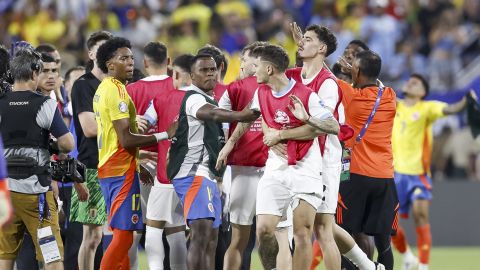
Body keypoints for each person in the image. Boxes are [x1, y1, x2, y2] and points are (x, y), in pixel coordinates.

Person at [218, 44, 339, 270]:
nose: (254, 72)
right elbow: (249, 117)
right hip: (275, 170)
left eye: (258, 67)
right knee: (264, 230)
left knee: (302, 233)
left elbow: (332, 126)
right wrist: (231, 143)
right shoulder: (261, 92)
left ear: (270, 69)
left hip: (305, 169)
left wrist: (304, 120)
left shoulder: (305, 95)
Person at [166, 53, 259, 270]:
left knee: (211, 240)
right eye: (203, 70)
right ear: (191, 76)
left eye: (212, 69)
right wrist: (242, 115)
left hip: (205, 176)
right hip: (193, 174)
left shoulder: (209, 97)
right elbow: (213, 114)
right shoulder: (193, 98)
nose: (210, 74)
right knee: (201, 235)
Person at [93, 37, 176, 270]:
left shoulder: (104, 89)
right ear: (110, 64)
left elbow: (113, 137)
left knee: (124, 233)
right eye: (123, 58)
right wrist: (164, 135)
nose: (130, 62)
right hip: (119, 170)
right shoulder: (117, 91)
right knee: (124, 236)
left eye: (131, 57)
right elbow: (126, 138)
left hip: (113, 167)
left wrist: (137, 162)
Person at [0, 47, 75, 270]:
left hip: (6, 195)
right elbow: (68, 144)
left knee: (5, 257)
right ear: (35, 74)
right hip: (36, 194)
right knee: (51, 257)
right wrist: (51, 143)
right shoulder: (44, 103)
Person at [220, 41, 292, 270]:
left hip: (246, 170)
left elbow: (223, 124)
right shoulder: (288, 86)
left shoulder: (235, 88)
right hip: (275, 169)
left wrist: (228, 145)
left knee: (239, 240)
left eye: (246, 59)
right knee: (278, 236)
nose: (243, 64)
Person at [391, 74, 468, 270]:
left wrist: (465, 102)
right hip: (394, 175)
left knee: (420, 213)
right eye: (410, 80)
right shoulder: (394, 105)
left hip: (418, 175)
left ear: (423, 92)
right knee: (388, 224)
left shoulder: (427, 108)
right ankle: (407, 257)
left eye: (416, 82)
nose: (410, 82)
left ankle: (424, 265)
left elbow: (451, 109)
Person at [336, 50, 398, 270]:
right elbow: (376, 84)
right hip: (384, 178)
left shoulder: (351, 96)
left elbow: (324, 76)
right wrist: (357, 72)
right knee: (384, 243)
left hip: (355, 175)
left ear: (358, 71)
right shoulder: (390, 96)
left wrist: (349, 74)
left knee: (341, 235)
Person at [287, 23, 343, 270]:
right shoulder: (295, 75)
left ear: (321, 48)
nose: (302, 42)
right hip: (298, 160)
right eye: (302, 38)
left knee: (323, 229)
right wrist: (303, 43)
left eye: (308, 39)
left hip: (324, 160)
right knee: (298, 229)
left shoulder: (328, 83)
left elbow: (326, 124)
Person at [143, 53, 194, 270]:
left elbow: (144, 126)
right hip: (193, 177)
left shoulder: (162, 99)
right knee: (177, 231)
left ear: (176, 73)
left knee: (154, 229)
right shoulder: (205, 101)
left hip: (165, 176)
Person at [126, 41, 174, 270]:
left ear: (144, 63)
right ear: (169, 62)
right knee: (175, 229)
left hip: (141, 163)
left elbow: (121, 132)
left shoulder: (130, 90)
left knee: (137, 227)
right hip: (171, 164)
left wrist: (138, 155)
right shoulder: (176, 88)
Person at [70, 30, 112, 270]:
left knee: (115, 234)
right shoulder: (84, 85)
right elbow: (88, 128)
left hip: (116, 167)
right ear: (91, 54)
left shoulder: (116, 85)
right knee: (93, 236)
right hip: (92, 168)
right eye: (102, 49)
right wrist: (121, 125)